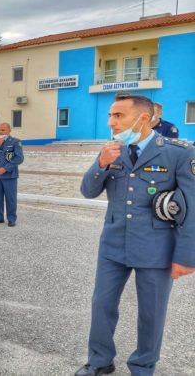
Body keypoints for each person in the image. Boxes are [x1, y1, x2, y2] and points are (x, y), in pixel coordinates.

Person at [76, 94, 195, 376]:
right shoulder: (111, 150)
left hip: (157, 247)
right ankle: (100, 360)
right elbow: (88, 191)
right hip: (113, 244)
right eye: (110, 115)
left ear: (143, 118)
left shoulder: (179, 153)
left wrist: (186, 256)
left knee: (151, 312)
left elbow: (192, 206)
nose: (111, 122)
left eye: (118, 115)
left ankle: (142, 366)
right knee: (102, 304)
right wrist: (101, 164)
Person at [0, 123, 24, 227]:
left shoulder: (16, 142)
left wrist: (6, 168)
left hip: (9, 176)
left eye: (3, 130)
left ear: (9, 130)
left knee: (11, 198)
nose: (1, 132)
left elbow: (19, 158)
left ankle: (11, 219)